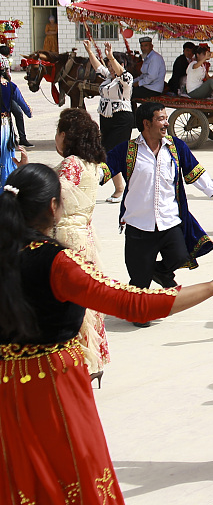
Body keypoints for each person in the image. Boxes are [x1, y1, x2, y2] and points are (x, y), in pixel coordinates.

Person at [0, 163, 213, 505]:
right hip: (55, 388)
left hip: (7, 386)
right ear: (53, 207)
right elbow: (134, 303)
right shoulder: (57, 264)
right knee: (74, 471)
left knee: (19, 475)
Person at [99, 102, 213, 318]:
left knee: (180, 257)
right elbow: (102, 171)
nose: (166, 123)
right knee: (139, 283)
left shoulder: (175, 147)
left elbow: (195, 171)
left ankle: (158, 271)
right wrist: (79, 175)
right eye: (161, 119)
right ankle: (138, 312)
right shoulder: (127, 150)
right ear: (146, 124)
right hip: (138, 226)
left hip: (169, 221)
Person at [50, 109, 113, 381]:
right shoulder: (92, 164)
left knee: (68, 303)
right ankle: (93, 360)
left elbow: (54, 195)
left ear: (64, 135)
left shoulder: (71, 165)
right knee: (87, 301)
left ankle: (79, 362)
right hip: (85, 236)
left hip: (65, 238)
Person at [83, 39, 133, 202]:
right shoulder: (108, 77)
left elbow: (121, 73)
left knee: (114, 153)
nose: (110, 69)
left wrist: (111, 56)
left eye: (113, 66)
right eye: (110, 66)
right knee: (106, 151)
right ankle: (119, 188)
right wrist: (90, 51)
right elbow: (98, 66)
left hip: (121, 119)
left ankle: (123, 188)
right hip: (106, 118)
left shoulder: (126, 79)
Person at [0, 74, 32, 186]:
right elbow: (22, 104)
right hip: (5, 127)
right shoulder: (10, 86)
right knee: (5, 157)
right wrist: (29, 112)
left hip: (5, 126)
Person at [0, 45, 30, 146]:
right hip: (5, 122)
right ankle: (21, 138)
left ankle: (21, 138)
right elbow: (20, 99)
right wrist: (28, 111)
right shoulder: (10, 85)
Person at [131, 36, 166, 102]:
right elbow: (143, 75)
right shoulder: (147, 57)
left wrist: (138, 83)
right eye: (142, 46)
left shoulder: (155, 58)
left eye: (146, 46)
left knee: (127, 92)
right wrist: (132, 81)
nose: (143, 48)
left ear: (151, 46)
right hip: (147, 86)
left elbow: (152, 77)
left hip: (153, 89)